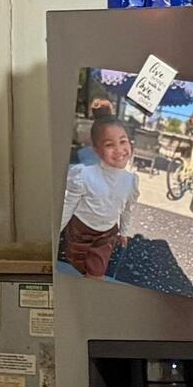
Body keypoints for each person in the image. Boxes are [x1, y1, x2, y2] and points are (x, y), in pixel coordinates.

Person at [59, 114, 140, 277]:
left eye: (123, 141)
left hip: (107, 233)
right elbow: (69, 204)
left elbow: (127, 209)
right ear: (97, 150)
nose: (118, 149)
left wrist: (123, 232)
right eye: (109, 144)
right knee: (76, 263)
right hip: (80, 229)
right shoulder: (84, 175)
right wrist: (57, 229)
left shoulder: (131, 181)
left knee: (96, 272)